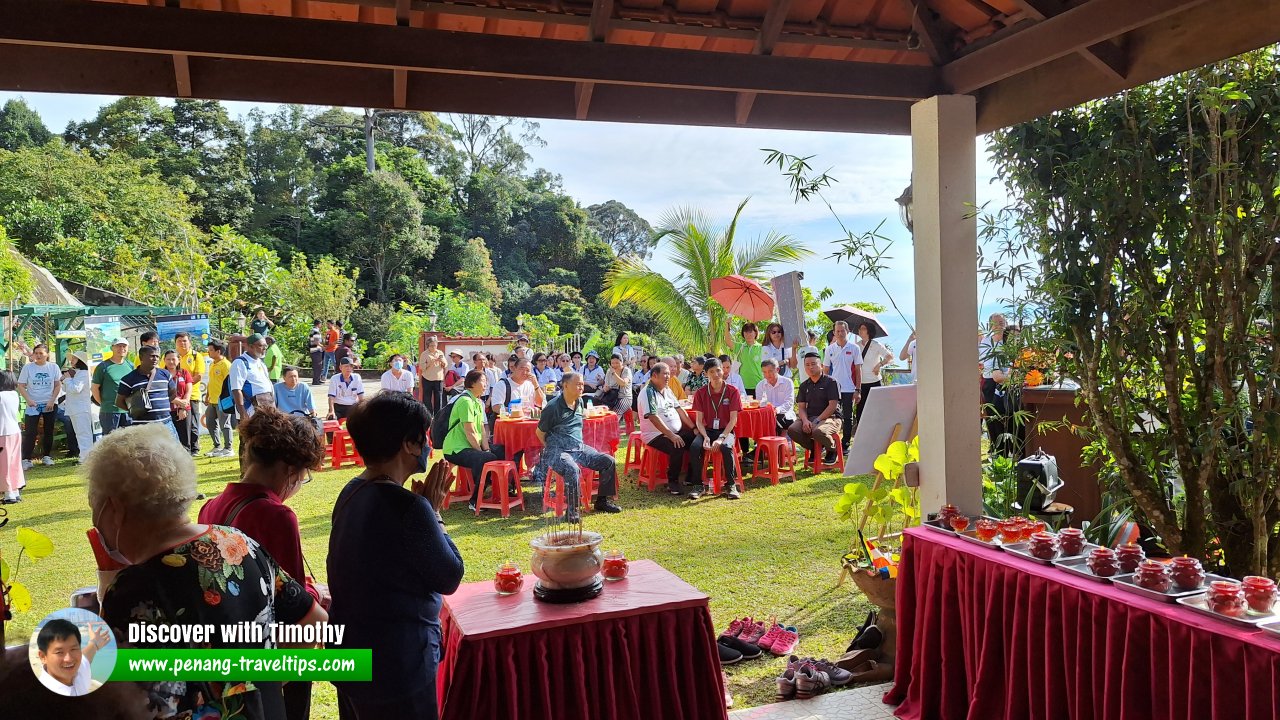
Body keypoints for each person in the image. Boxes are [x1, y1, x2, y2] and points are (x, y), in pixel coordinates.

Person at [91, 424, 327, 719]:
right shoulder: (239, 543)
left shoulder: (132, 588)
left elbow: (122, 695)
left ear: (114, 508)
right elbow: (315, 619)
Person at [328, 392, 461, 718]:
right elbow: (450, 574)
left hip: (351, 654)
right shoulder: (408, 506)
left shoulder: (351, 491)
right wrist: (433, 511)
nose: (429, 445)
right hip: (396, 664)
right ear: (409, 444)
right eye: (424, 437)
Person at [198, 406, 328, 720]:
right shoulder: (277, 515)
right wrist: (315, 595)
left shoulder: (211, 507)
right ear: (287, 469)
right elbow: (291, 606)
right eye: (302, 476)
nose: (299, 485)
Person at [533, 372, 623, 519]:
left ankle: (602, 501)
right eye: (578, 384)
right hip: (558, 451)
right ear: (565, 385)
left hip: (578, 448)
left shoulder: (579, 401)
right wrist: (552, 448)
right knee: (572, 468)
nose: (581, 387)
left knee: (608, 461)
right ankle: (572, 511)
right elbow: (539, 433)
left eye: (582, 384)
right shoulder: (553, 407)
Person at [442, 370, 509, 511]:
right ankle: (475, 500)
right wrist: (482, 453)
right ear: (472, 383)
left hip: (471, 445)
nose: (485, 384)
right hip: (456, 449)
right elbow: (470, 432)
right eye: (482, 381)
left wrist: (487, 449)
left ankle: (501, 489)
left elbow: (482, 432)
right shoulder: (465, 401)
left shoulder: (478, 402)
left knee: (501, 450)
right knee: (485, 458)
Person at [637, 362, 697, 495]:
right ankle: (673, 482)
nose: (668, 376)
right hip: (655, 435)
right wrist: (671, 435)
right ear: (654, 376)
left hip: (674, 431)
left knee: (697, 440)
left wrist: (693, 428)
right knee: (677, 445)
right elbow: (653, 417)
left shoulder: (667, 390)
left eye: (669, 374)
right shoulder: (648, 392)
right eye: (664, 374)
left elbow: (680, 410)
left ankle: (691, 476)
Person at [689, 358, 742, 500]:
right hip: (707, 430)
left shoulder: (732, 391)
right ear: (706, 374)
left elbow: (733, 420)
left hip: (726, 431)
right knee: (695, 447)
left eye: (718, 370)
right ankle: (698, 485)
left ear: (723, 370)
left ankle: (730, 485)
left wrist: (721, 437)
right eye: (711, 372)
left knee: (726, 447)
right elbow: (699, 421)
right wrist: (705, 436)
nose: (716, 374)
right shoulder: (700, 393)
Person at [789, 352, 843, 465]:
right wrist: (805, 421)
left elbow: (832, 406)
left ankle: (833, 450)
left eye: (813, 364)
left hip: (831, 418)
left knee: (818, 431)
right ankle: (815, 448)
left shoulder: (831, 382)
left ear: (821, 365)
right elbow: (801, 407)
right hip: (810, 418)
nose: (810, 367)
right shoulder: (804, 385)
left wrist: (817, 420)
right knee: (793, 430)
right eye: (807, 365)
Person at [980, 314, 1021, 458]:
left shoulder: (1007, 342)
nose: (1001, 325)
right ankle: (999, 455)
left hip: (1008, 385)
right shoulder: (987, 344)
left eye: (1003, 322)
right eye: (997, 323)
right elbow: (995, 375)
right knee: (995, 420)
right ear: (990, 325)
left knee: (1010, 419)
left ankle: (1013, 452)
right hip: (992, 385)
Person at [115, 345, 178, 440]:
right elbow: (119, 402)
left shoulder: (165, 374)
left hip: (165, 424)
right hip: (142, 427)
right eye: (152, 356)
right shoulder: (128, 379)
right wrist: (136, 410)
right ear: (141, 358)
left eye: (157, 356)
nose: (155, 359)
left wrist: (159, 406)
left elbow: (173, 393)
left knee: (173, 453)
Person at [35, 618, 109, 697]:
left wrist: (94, 643)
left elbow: (86, 656)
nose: (69, 659)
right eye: (59, 652)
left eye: (73, 649)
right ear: (43, 657)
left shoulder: (79, 670)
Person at [18, 343, 62, 469]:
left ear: (47, 354)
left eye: (41, 353)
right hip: (33, 405)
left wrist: (52, 400)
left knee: (49, 430)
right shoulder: (28, 368)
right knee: (30, 432)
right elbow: (21, 385)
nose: (38, 356)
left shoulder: (53, 367)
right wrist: (29, 400)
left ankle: (47, 456)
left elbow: (57, 385)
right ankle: (26, 459)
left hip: (49, 404)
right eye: (36, 353)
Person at [823, 320, 863, 452]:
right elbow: (826, 371)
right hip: (833, 389)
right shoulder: (829, 349)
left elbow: (858, 370)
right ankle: (828, 442)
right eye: (837, 331)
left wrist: (858, 389)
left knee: (848, 417)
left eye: (842, 331)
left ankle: (845, 443)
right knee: (830, 415)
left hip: (849, 388)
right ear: (834, 332)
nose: (840, 333)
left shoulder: (854, 348)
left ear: (847, 332)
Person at [91, 338, 133, 437]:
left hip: (127, 411)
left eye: (124, 346)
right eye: (118, 346)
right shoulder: (103, 366)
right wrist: (104, 404)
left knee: (129, 441)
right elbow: (94, 388)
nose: (121, 348)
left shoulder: (130, 365)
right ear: (112, 348)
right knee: (110, 442)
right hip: (109, 412)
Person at [174, 332, 207, 455]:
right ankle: (182, 447)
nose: (182, 343)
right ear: (175, 343)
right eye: (180, 341)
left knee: (193, 422)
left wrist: (185, 386)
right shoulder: (172, 356)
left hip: (192, 395)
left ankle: (195, 448)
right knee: (179, 423)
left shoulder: (196, 356)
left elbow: (198, 376)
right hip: (175, 397)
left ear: (189, 342)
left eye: (185, 341)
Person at [229, 333, 275, 420]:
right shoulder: (240, 363)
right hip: (250, 411)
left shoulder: (261, 363)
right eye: (261, 346)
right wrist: (242, 412)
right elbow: (236, 389)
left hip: (266, 409)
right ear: (250, 346)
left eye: (266, 345)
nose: (264, 348)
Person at [62, 352, 97, 462]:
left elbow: (76, 389)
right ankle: (84, 456)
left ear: (80, 361)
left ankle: (87, 458)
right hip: (75, 408)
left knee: (83, 433)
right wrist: (66, 380)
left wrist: (67, 379)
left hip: (81, 408)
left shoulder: (83, 373)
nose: (71, 360)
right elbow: (66, 390)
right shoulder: (77, 373)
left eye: (74, 358)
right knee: (80, 434)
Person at [855, 322, 892, 423]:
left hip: (874, 381)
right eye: (860, 328)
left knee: (876, 409)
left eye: (863, 328)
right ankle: (860, 433)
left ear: (868, 331)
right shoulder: (856, 346)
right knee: (860, 410)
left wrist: (879, 365)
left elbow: (889, 356)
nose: (860, 330)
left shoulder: (876, 345)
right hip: (861, 383)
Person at [204, 339, 235, 457]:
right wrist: (207, 396)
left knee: (224, 424)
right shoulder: (212, 363)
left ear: (218, 351)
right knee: (210, 422)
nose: (208, 352)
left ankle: (228, 448)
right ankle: (217, 446)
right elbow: (211, 382)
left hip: (223, 400)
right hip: (212, 400)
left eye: (211, 350)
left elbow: (230, 383)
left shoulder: (226, 365)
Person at [164, 350, 196, 454]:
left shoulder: (184, 373)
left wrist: (183, 407)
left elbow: (188, 391)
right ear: (164, 360)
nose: (171, 362)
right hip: (167, 411)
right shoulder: (161, 374)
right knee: (168, 439)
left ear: (179, 360)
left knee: (185, 438)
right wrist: (178, 402)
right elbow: (163, 393)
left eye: (173, 359)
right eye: (168, 359)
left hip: (184, 410)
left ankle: (186, 461)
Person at [0, 370, 25, 503]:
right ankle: (14, 490)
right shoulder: (14, 394)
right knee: (14, 462)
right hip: (14, 432)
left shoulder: (1, 396)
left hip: (3, 433)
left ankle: (9, 493)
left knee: (4, 464)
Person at [756, 358, 796, 434]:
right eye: (764, 372)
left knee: (779, 418)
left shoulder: (787, 382)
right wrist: (770, 411)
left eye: (770, 371)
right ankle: (762, 441)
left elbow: (789, 403)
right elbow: (760, 403)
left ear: (777, 370)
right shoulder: (760, 385)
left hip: (785, 414)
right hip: (767, 414)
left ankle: (782, 442)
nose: (767, 375)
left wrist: (777, 410)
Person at [726, 322, 765, 396]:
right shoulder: (740, 347)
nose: (748, 334)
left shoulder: (762, 348)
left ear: (755, 333)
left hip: (759, 384)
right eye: (746, 332)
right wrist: (727, 324)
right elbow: (728, 342)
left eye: (750, 332)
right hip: (743, 385)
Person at [418, 335, 446, 414]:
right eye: (431, 345)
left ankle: (438, 415)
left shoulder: (440, 352)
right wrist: (431, 362)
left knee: (439, 398)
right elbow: (421, 367)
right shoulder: (424, 354)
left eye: (435, 345)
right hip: (427, 378)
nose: (433, 347)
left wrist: (442, 361)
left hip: (438, 379)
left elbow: (445, 364)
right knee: (427, 398)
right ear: (428, 345)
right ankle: (428, 415)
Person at [309, 321, 326, 386]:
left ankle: (317, 379)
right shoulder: (315, 331)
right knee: (318, 366)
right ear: (319, 324)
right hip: (316, 350)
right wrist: (322, 347)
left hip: (313, 350)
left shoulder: (312, 330)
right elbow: (316, 342)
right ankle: (316, 380)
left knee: (317, 366)